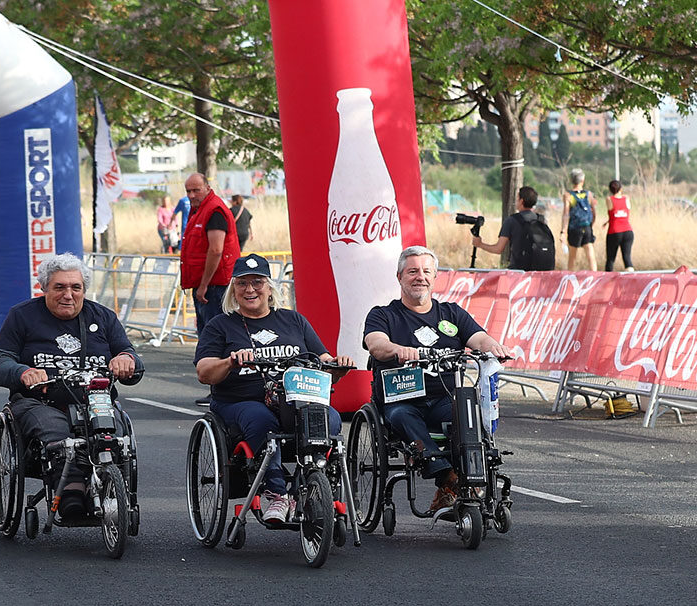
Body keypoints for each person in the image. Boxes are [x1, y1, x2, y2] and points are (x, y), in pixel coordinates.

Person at [194, 253, 354, 523]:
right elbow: (203, 371)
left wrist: (338, 365)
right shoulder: (220, 325)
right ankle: (276, 493)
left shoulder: (294, 321)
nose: (250, 289)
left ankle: (311, 483)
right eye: (243, 283)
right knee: (262, 420)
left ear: (269, 287)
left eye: (257, 282)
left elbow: (322, 360)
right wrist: (230, 362)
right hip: (240, 400)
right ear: (234, 288)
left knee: (330, 418)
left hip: (294, 399)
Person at [0, 253, 143, 519]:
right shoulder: (22, 316)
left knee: (115, 434)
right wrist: (22, 371)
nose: (68, 295)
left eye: (75, 287)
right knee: (57, 431)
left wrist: (126, 360)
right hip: (39, 401)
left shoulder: (103, 317)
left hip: (95, 400)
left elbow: (130, 357)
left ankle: (112, 489)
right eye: (59, 287)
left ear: (84, 289)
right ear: (44, 288)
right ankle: (70, 491)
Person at [362, 246, 511, 512]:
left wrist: (493, 346)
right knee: (402, 417)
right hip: (403, 400)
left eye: (426, 271)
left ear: (434, 276)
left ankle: (467, 479)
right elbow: (375, 344)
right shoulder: (383, 315)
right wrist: (398, 350)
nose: (420, 277)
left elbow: (477, 338)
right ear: (399, 277)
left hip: (442, 396)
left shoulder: (451, 314)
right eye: (412, 271)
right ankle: (445, 475)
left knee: (467, 412)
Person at [180, 173, 241, 406]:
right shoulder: (201, 210)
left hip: (216, 286)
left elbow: (216, 250)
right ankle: (218, 386)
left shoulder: (214, 211)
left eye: (196, 190)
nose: (191, 195)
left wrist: (203, 284)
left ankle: (222, 386)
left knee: (215, 336)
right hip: (209, 284)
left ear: (207, 187)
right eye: (188, 191)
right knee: (209, 333)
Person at [472, 186, 554, 272]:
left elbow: (498, 249)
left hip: (519, 272)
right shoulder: (541, 219)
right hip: (541, 273)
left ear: (521, 201)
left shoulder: (512, 220)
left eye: (517, 198)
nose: (516, 201)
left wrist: (480, 244)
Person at [561, 168, 597, 271]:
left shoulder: (568, 195)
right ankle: (595, 278)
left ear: (571, 180)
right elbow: (594, 213)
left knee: (572, 257)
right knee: (590, 255)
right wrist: (590, 224)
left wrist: (563, 230)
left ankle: (570, 278)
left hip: (574, 228)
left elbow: (566, 214)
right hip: (586, 226)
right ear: (583, 180)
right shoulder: (588, 194)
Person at [603, 179, 634, 272]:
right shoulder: (626, 199)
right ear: (621, 188)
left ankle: (607, 282)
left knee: (611, 259)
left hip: (614, 232)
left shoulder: (609, 199)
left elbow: (613, 211)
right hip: (628, 231)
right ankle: (632, 279)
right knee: (627, 258)